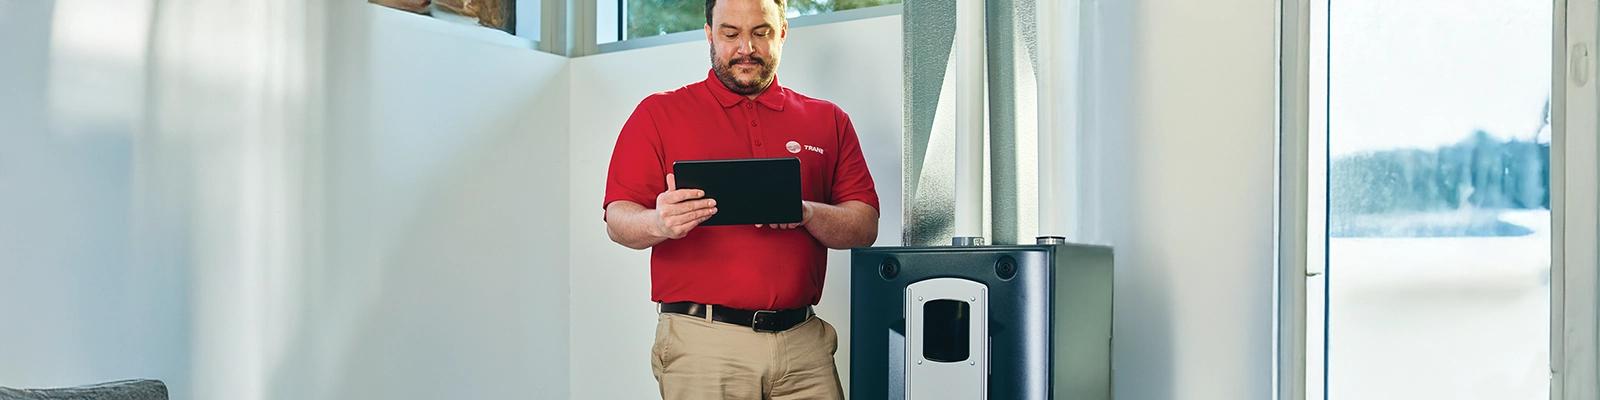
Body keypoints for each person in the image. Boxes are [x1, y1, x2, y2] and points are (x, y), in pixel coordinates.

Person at [600, 0, 880, 398]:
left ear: (782, 31)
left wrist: (806, 213)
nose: (745, 48)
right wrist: (658, 223)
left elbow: (865, 224)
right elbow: (618, 219)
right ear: (709, 33)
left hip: (805, 348)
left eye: (761, 32)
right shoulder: (658, 113)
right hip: (704, 346)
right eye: (730, 34)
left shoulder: (828, 119)